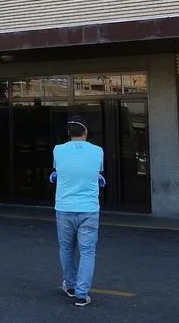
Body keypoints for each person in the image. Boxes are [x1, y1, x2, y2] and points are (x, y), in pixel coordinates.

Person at [49, 118, 105, 307]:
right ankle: (82, 294)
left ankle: (70, 286)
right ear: (86, 132)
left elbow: (60, 171)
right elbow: (96, 172)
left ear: (69, 133)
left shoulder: (58, 150)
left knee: (66, 248)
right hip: (89, 209)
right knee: (87, 252)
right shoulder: (98, 151)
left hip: (64, 207)